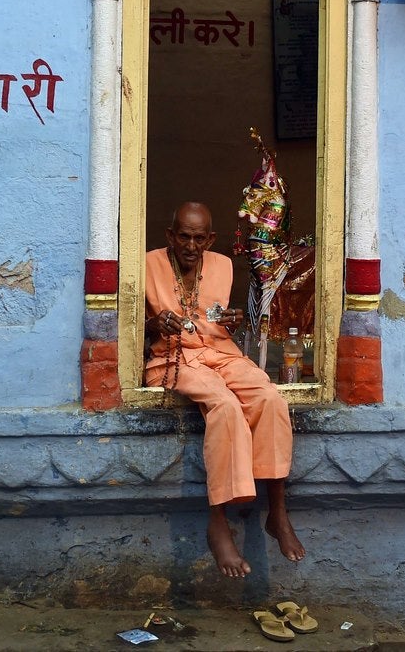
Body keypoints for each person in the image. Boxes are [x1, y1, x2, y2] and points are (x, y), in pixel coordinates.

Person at [145, 201, 305, 578]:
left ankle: (278, 511)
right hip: (172, 359)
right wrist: (156, 323)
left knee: (270, 398)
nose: (191, 245)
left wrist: (233, 319)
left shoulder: (223, 265)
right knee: (225, 405)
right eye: (183, 236)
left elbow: (219, 321)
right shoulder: (149, 262)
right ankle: (218, 522)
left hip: (219, 353)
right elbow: (131, 326)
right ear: (171, 235)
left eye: (199, 238)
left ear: (210, 239)